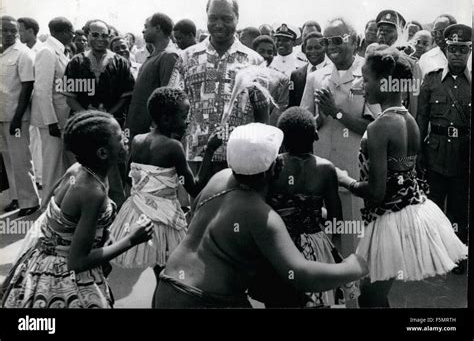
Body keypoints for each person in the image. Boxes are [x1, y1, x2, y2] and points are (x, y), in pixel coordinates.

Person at [153, 122, 369, 308]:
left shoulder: (220, 179)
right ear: (274, 167)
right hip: (206, 300)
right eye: (279, 156)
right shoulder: (260, 216)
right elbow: (303, 275)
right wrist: (354, 266)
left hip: (167, 288)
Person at [336, 48, 467, 308]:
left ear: (385, 83)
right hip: (407, 214)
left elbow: (376, 191)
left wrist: (343, 180)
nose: (363, 85)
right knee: (372, 295)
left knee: (369, 296)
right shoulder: (409, 121)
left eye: (367, 79)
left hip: (390, 220)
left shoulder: (379, 127)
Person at [1, 111, 154, 308]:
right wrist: (132, 239)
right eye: (119, 138)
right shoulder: (92, 193)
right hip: (64, 281)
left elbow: (53, 214)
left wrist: (103, 235)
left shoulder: (78, 170)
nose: (126, 139)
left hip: (41, 263)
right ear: (102, 153)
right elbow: (77, 262)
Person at [109, 87, 222, 304]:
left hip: (137, 212)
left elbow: (128, 176)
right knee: (168, 273)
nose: (187, 121)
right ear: (166, 119)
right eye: (183, 117)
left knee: (160, 271)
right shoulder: (173, 147)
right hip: (164, 219)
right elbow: (195, 188)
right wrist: (209, 151)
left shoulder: (138, 140)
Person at [249, 107, 347, 308]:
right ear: (316, 135)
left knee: (278, 300)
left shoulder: (274, 165)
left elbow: (262, 206)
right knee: (318, 300)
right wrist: (334, 251)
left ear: (283, 141)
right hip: (315, 247)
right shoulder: (326, 169)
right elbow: (336, 216)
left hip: (279, 248)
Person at [300, 17, 381, 257]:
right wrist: (321, 119)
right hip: (321, 171)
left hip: (353, 175)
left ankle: (351, 291)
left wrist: (337, 112)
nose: (331, 46)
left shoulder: (368, 73)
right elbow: (305, 126)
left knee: (352, 240)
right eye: (327, 41)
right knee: (320, 236)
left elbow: (375, 127)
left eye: (337, 40)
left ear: (354, 41)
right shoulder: (317, 76)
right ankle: (325, 291)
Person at [168, 0, 265, 176]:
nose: (219, 24)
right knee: (198, 204)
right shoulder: (187, 57)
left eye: (226, 18)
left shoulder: (254, 61)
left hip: (240, 157)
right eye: (213, 18)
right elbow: (173, 105)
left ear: (237, 18)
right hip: (195, 155)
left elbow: (262, 113)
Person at [416, 24, 471, 274]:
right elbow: (421, 119)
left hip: (464, 155)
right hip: (435, 154)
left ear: (469, 51)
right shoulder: (431, 79)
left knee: (460, 208)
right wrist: (417, 154)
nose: (457, 54)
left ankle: (459, 255)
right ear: (445, 50)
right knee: (434, 206)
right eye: (453, 49)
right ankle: (434, 256)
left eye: (463, 49)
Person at [63, 19, 135, 208]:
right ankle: (85, 210)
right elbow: (69, 98)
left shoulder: (120, 63)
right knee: (84, 170)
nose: (100, 39)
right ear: (87, 36)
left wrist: (106, 118)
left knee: (115, 172)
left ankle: (118, 214)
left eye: (105, 35)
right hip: (83, 126)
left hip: (112, 125)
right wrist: (88, 117)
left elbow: (125, 97)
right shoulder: (75, 63)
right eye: (95, 34)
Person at [30, 17, 75, 203]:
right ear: (63, 32)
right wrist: (51, 122)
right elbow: (42, 90)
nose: (72, 36)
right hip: (53, 121)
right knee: (52, 165)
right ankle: (47, 205)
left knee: (60, 164)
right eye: (71, 32)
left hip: (61, 118)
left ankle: (57, 204)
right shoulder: (47, 53)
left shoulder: (58, 52)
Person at [0, 16, 40, 217]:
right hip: (1, 115)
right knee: (8, 159)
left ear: (17, 32)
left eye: (12, 30)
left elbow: (27, 86)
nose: (7, 34)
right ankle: (16, 198)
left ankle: (30, 201)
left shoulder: (23, 54)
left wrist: (17, 117)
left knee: (21, 159)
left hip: (16, 116)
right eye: (3, 30)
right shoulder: (2, 53)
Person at [125, 13, 179, 143]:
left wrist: (156, 130)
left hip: (148, 134)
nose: (143, 30)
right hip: (137, 128)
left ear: (158, 28)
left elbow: (167, 98)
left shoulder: (169, 56)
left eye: (146, 26)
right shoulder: (154, 55)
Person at [18, 17, 43, 189]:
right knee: (31, 141)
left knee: (37, 140)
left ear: (31, 31)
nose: (19, 34)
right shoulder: (23, 50)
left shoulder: (40, 50)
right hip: (26, 102)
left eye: (21, 30)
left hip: (37, 102)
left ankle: (41, 178)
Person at [289, 31, 331, 108]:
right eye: (309, 48)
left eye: (317, 47)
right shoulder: (295, 75)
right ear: (304, 50)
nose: (313, 51)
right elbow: (292, 105)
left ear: (325, 48)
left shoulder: (331, 72)